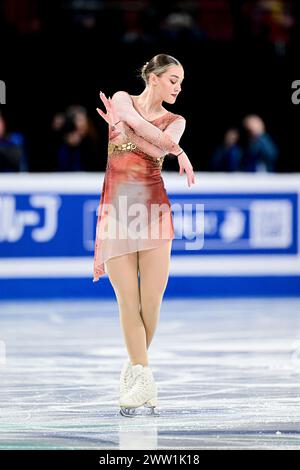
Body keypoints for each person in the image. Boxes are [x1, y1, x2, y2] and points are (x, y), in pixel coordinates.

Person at [93, 53, 195, 416]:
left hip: (153, 212)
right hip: (117, 213)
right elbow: (145, 130)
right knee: (127, 304)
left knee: (149, 304)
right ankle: (145, 376)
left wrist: (169, 145)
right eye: (173, 80)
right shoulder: (122, 99)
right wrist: (172, 148)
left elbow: (159, 143)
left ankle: (135, 370)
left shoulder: (176, 121)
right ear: (153, 78)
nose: (179, 88)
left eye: (181, 82)